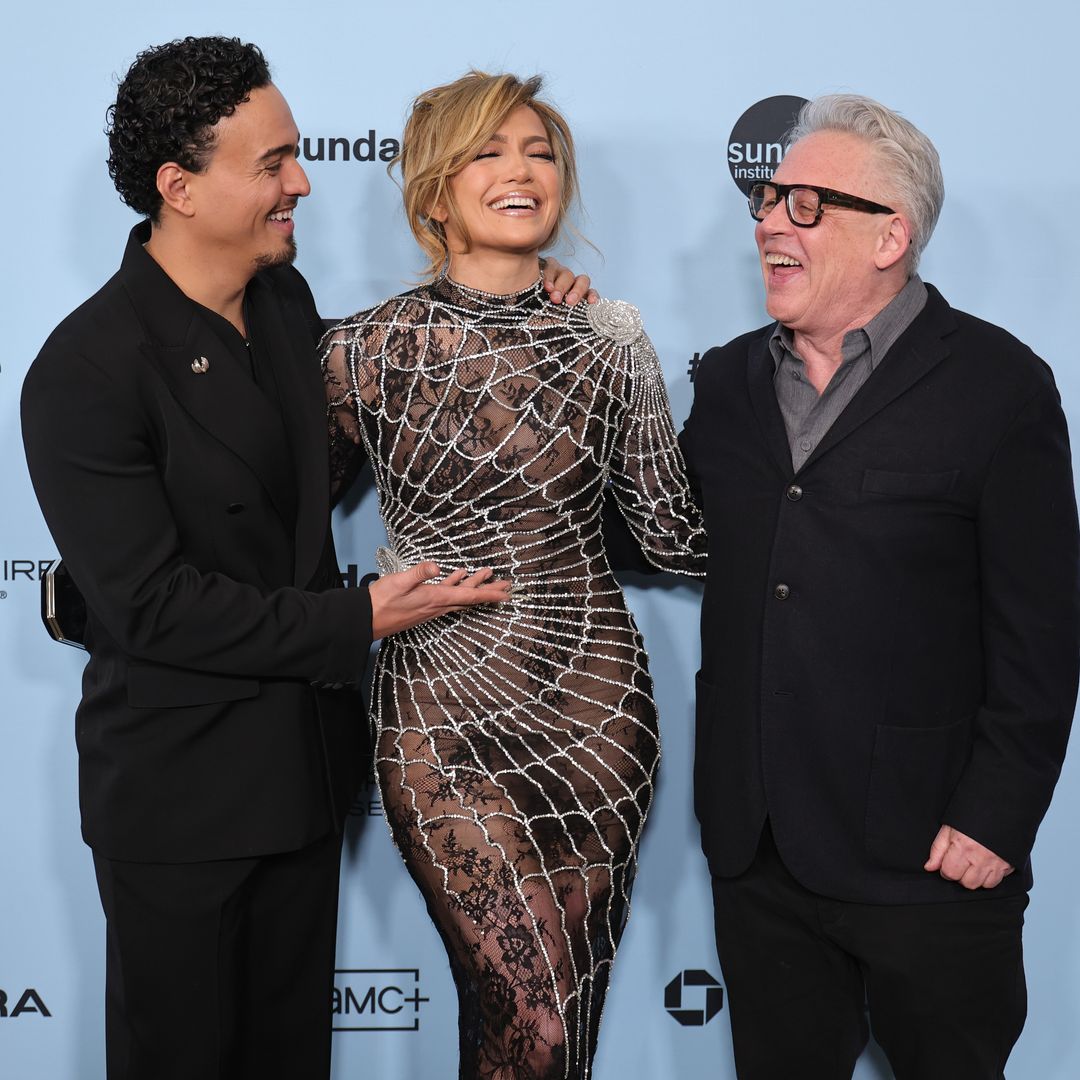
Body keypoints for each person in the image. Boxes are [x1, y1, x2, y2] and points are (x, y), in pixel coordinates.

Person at [20, 37, 589, 1080]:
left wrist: (513, 304)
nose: (303, 180)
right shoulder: (85, 370)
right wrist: (356, 619)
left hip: (302, 779)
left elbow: (391, 400)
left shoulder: (283, 307)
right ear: (180, 188)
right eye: (274, 162)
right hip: (181, 807)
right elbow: (154, 607)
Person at [679, 94, 1079, 1078]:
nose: (770, 219)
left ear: (890, 233)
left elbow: (1043, 627)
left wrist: (996, 817)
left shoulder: (1000, 385)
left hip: (932, 852)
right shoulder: (725, 383)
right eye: (769, 199)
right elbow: (654, 535)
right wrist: (559, 337)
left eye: (805, 204)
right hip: (759, 846)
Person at [322, 71, 706, 1078]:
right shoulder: (362, 350)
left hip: (594, 711)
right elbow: (274, 527)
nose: (521, 170)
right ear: (433, 190)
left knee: (552, 1034)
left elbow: (671, 537)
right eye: (489, 152)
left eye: (538, 151)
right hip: (441, 719)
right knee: (529, 1014)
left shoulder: (609, 337)